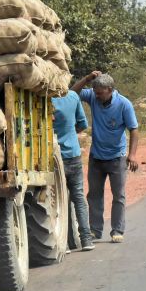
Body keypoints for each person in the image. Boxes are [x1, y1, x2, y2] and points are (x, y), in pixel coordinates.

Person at [72, 71, 139, 244]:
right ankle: (95, 230)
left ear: (109, 90)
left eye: (100, 93)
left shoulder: (124, 104)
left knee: (118, 195)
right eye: (95, 92)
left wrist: (132, 155)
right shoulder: (94, 97)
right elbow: (73, 93)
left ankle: (117, 230)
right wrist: (87, 79)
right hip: (96, 157)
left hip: (117, 158)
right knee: (94, 195)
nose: (97, 96)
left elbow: (134, 129)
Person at [52, 89, 94, 251]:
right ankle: (86, 240)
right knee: (78, 197)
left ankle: (66, 243)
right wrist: (69, 132)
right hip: (73, 154)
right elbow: (82, 124)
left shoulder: (44, 99)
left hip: (54, 158)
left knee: (59, 201)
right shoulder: (73, 96)